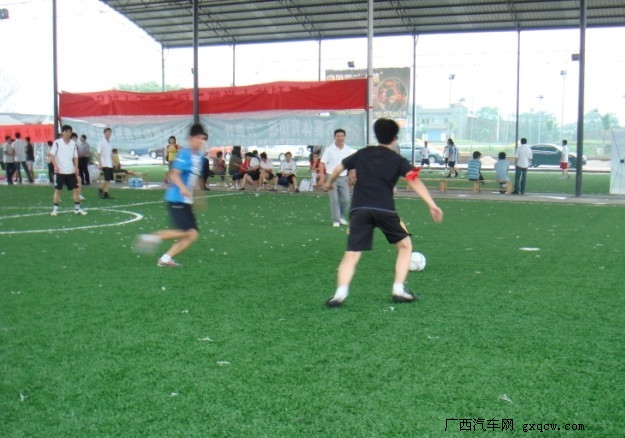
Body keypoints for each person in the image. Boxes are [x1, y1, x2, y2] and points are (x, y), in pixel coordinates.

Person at [324, 118, 443, 307]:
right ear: (395, 138)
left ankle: (340, 293)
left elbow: (340, 167)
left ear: (376, 136)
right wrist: (432, 204)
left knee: (352, 253)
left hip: (360, 209)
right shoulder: (398, 160)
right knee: (405, 246)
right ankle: (398, 289)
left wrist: (329, 182)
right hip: (385, 209)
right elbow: (414, 180)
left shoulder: (362, 153)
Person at [133, 123, 207, 268]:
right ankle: (152, 238)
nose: (201, 142)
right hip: (176, 199)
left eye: (203, 139)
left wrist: (198, 194)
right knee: (186, 232)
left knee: (192, 234)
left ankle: (165, 258)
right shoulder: (185, 154)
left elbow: (195, 177)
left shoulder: (198, 156)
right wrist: (183, 188)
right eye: (198, 138)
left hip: (185, 200)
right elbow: (174, 174)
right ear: (191, 139)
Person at [49, 125, 87, 216]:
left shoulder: (73, 144)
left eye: (69, 132)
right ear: (62, 132)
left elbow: (75, 157)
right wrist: (55, 166)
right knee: (58, 190)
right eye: (66, 131)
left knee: (76, 190)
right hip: (60, 172)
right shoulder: (57, 143)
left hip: (71, 171)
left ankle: (77, 209)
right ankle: (55, 210)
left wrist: (76, 167)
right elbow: (52, 155)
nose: (68, 133)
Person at [321, 129, 354, 227]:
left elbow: (351, 164)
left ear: (344, 137)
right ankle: (335, 220)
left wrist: (351, 174)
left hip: (343, 177)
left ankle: (340, 216)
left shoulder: (348, 149)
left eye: (342, 136)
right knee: (334, 200)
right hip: (331, 177)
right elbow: (322, 163)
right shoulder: (329, 149)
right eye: (338, 136)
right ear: (334, 137)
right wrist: (322, 175)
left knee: (346, 200)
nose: (340, 138)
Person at [97, 127, 114, 199]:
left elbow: (110, 153)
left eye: (109, 132)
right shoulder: (101, 142)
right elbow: (99, 153)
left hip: (109, 163)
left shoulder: (109, 143)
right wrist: (100, 163)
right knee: (107, 178)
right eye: (107, 132)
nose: (108, 134)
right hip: (104, 163)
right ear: (104, 133)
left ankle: (105, 193)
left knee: (109, 179)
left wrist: (113, 162)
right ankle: (101, 189)